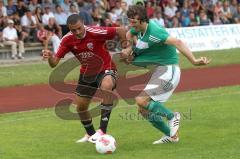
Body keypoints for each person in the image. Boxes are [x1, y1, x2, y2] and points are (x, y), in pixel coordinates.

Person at [121, 5, 210, 144]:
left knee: (141, 100)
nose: (131, 25)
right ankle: (171, 136)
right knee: (143, 110)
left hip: (169, 69)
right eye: (130, 21)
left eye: (134, 22)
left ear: (143, 20)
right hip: (160, 71)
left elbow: (177, 42)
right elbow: (129, 34)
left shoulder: (155, 32)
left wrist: (194, 60)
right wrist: (129, 47)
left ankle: (172, 116)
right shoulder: (138, 29)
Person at [42, 14, 126, 143]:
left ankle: (102, 130)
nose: (77, 32)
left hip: (106, 68)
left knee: (107, 86)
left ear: (83, 24)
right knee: (81, 108)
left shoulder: (95, 31)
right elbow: (54, 63)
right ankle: (91, 135)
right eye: (73, 30)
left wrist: (126, 48)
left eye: (79, 28)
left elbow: (120, 30)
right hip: (87, 74)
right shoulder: (67, 40)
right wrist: (49, 57)